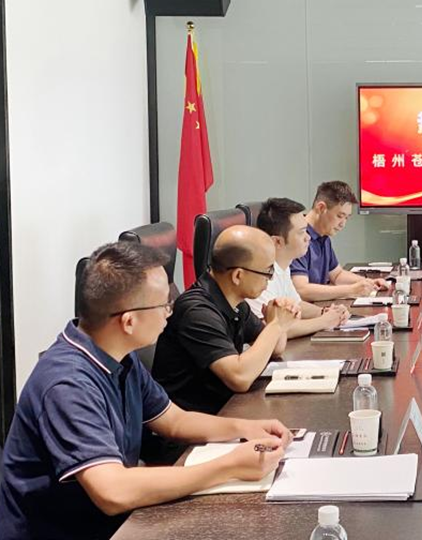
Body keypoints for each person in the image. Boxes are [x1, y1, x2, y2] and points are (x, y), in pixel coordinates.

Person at [0, 243, 291, 540]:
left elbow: (175, 421)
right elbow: (112, 492)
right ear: (129, 321)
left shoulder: (120, 356)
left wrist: (245, 428)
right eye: (164, 304)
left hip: (112, 523)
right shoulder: (67, 384)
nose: (169, 312)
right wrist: (229, 466)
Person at [152, 225, 301, 415]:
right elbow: (240, 378)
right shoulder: (197, 312)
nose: (269, 280)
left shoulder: (236, 302)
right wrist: (276, 325)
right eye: (267, 272)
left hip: (225, 411)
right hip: (194, 424)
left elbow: (275, 349)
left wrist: (276, 321)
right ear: (238, 275)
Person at [248, 197, 350, 334]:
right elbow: (271, 330)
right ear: (277, 242)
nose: (308, 237)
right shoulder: (259, 275)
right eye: (301, 232)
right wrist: (325, 321)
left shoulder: (283, 266)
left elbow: (297, 303)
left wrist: (325, 312)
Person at [291, 181, 390, 301]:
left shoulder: (323, 236)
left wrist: (368, 283)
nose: (343, 224)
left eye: (346, 218)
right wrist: (351, 290)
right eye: (339, 216)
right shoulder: (297, 237)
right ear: (321, 208)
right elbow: (301, 290)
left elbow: (337, 275)